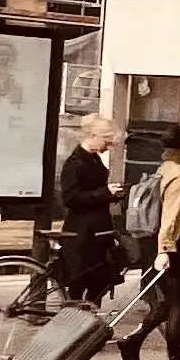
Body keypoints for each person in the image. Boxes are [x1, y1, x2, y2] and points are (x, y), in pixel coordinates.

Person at [117, 126, 180, 360]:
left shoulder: (167, 166)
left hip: (156, 240)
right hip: (174, 243)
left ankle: (136, 341)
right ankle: (172, 359)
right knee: (178, 302)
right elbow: (173, 214)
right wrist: (166, 249)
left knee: (170, 301)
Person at [51, 119, 125, 304]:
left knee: (98, 280)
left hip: (96, 230)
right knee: (80, 280)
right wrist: (104, 193)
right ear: (93, 136)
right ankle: (76, 316)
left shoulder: (93, 158)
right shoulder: (75, 163)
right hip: (82, 232)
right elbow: (70, 198)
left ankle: (90, 315)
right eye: (106, 142)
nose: (108, 147)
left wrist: (112, 194)